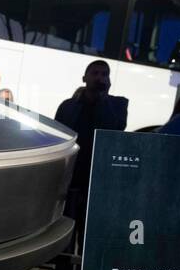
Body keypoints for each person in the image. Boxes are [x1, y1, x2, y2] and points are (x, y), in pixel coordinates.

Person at [53, 60, 128, 248]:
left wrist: (103, 99)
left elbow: (115, 130)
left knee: (90, 236)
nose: (99, 78)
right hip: (71, 178)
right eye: (95, 73)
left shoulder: (118, 105)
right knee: (64, 231)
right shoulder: (68, 106)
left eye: (104, 74)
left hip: (98, 181)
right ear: (84, 78)